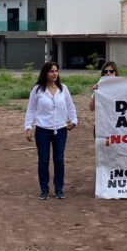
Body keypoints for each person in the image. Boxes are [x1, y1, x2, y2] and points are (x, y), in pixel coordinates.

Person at [24, 62, 77, 200]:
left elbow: (70, 106)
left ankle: (59, 189)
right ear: (45, 73)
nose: (55, 74)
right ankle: (44, 189)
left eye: (56, 71)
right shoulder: (37, 90)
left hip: (60, 129)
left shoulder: (63, 89)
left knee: (59, 160)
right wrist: (28, 127)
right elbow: (31, 109)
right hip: (42, 130)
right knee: (43, 160)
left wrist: (74, 120)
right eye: (51, 71)